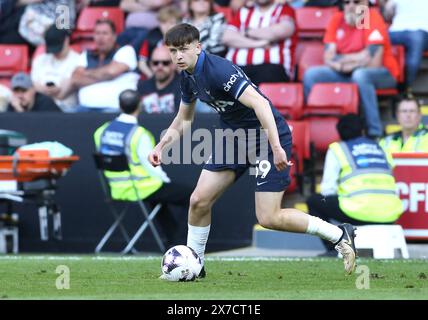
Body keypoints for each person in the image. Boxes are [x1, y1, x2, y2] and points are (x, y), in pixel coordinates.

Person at [149, 23, 358, 278]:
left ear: (198, 47)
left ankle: (339, 234)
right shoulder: (187, 77)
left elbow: (260, 104)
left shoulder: (219, 71)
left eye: (183, 49)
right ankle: (196, 264)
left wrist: (277, 147)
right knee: (198, 201)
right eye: (173, 51)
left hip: (266, 137)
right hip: (234, 137)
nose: (177, 56)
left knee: (269, 217)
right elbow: (184, 119)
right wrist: (162, 145)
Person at [93, 89, 193, 245]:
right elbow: (151, 165)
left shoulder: (101, 131)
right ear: (139, 105)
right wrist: (165, 180)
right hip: (140, 187)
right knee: (192, 196)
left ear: (119, 106)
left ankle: (172, 242)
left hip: (115, 188)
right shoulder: (139, 134)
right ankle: (181, 244)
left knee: (161, 199)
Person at [306, 114, 403, 256]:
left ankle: (335, 250)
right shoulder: (381, 148)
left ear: (339, 133)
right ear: (363, 131)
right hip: (390, 214)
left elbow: (328, 189)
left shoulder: (338, 149)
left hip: (357, 212)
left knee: (314, 201)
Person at [303, 0, 399, 139]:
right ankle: (314, 124)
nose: (351, 6)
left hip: (383, 73)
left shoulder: (369, 17)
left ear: (365, 3)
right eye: (347, 2)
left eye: (356, 2)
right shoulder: (338, 18)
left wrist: (341, 61)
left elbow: (373, 62)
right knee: (312, 74)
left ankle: (374, 131)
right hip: (347, 71)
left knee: (360, 75)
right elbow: (328, 57)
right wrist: (355, 59)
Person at [61, 19, 139, 112]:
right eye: (97, 33)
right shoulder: (86, 55)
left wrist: (86, 73)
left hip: (114, 109)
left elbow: (111, 72)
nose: (100, 37)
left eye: (105, 33)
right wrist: (105, 75)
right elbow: (75, 79)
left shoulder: (126, 51)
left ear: (114, 36)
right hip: (84, 109)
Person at [222, 0, 297, 86]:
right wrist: (259, 44)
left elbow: (281, 31)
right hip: (237, 69)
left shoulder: (285, 10)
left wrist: (247, 32)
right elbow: (227, 37)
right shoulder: (244, 11)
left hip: (271, 69)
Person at [31, 25, 80, 112]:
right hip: (40, 108)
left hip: (66, 109)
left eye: (58, 47)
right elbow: (33, 85)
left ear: (66, 40)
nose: (55, 52)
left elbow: (64, 92)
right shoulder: (40, 60)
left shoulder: (79, 61)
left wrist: (46, 91)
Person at [137, 45, 181, 114]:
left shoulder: (184, 87)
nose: (160, 67)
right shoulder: (142, 87)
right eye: (155, 63)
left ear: (174, 64)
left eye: (165, 63)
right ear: (150, 65)